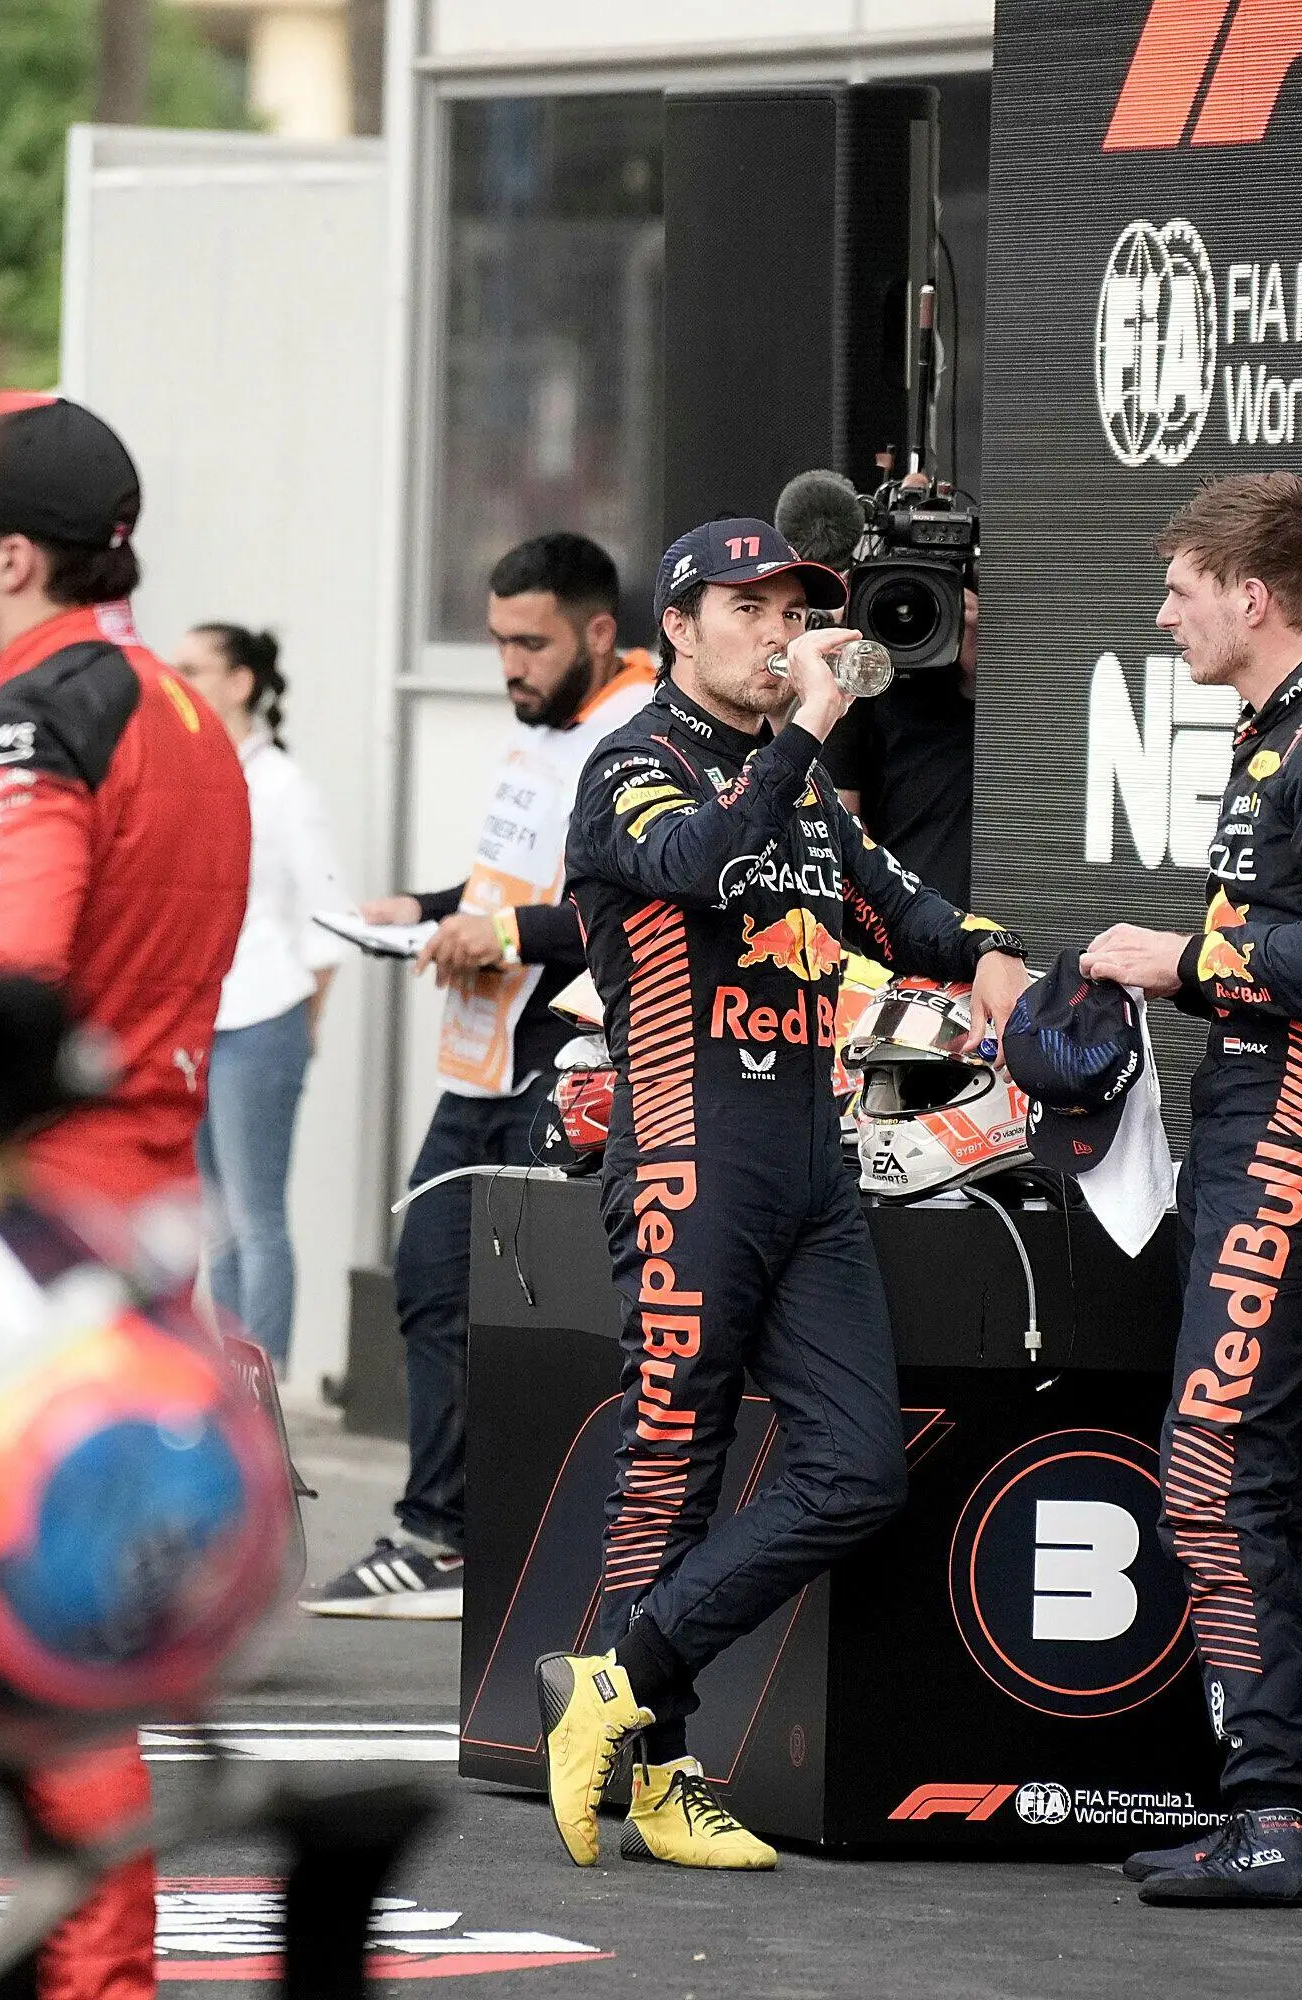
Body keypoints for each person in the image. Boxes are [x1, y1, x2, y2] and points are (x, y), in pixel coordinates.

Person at [534, 517, 1031, 1872]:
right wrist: (808, 726)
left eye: (794, 604)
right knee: (671, 1472)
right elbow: (698, 862)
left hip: (809, 1168)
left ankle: (616, 1684)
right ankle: (662, 1773)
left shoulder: (800, 787)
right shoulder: (633, 762)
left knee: (860, 1468)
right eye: (747, 604)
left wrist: (999, 959)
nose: (779, 625)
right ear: (678, 631)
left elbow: (899, 908)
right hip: (690, 1159)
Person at [0, 396, 251, 2000]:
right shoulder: (187, 717)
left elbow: (1, 1000)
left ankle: (100, 1981)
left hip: (42, 1249)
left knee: (53, 1668)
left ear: (15, 554)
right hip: (150, 1221)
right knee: (84, 1651)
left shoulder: (37, 714)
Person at [1080, 472, 1302, 1908]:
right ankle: (1278, 1804)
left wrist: (1173, 964)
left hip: (1301, 1133)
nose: (1166, 610)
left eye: (1184, 586)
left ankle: (1277, 1810)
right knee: (1278, 1474)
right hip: (1258, 1123)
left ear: (1255, 594)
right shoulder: (1283, 730)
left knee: (1216, 1464)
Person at [306, 532, 655, 1620]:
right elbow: (506, 879)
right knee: (429, 1276)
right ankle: (443, 1532)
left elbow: (622, 904)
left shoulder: (640, 734)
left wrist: (495, 926)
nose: (509, 663)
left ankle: (497, 1541)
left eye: (530, 641)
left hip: (566, 1056)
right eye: (499, 638)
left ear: (598, 633)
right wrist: (417, 908)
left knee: (544, 1308)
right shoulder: (544, 732)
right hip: (483, 1048)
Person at [171, 621, 353, 1371]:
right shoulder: (196, 774)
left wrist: (301, 1025)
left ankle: (264, 1383)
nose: (180, 682)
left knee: (255, 1217)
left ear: (242, 682)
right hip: (204, 1019)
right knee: (214, 1223)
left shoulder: (283, 786)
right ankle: (227, 1380)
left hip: (262, 1019)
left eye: (196, 668)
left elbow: (330, 919)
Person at [822, 582, 980, 904]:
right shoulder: (862, 684)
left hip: (1006, 901)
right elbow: (833, 833)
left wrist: (986, 655)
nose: (911, 615)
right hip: (901, 921)